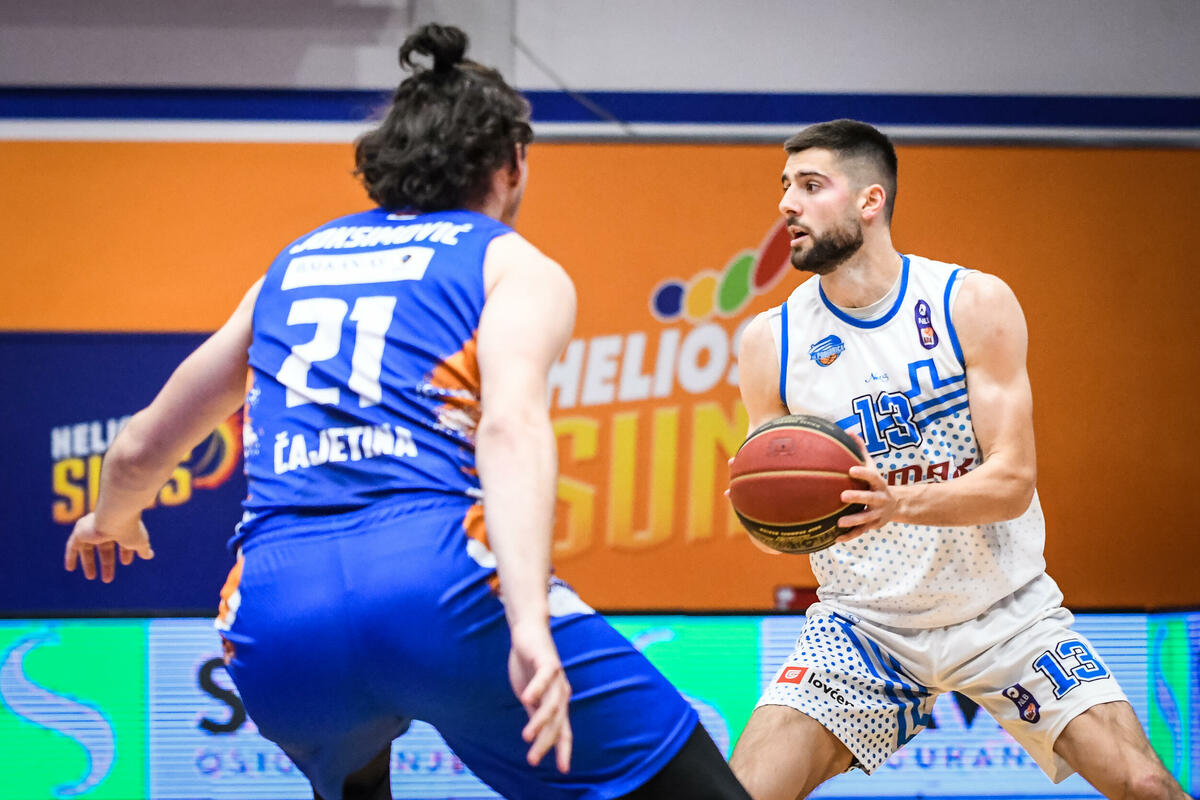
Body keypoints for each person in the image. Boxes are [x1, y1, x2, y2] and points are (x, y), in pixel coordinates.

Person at [63, 24, 752, 800]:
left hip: (276, 611)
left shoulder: (291, 266)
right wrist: (529, 621)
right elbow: (510, 428)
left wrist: (110, 520)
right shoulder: (508, 262)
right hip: (438, 586)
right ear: (512, 164)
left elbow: (140, 450)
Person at [727, 119, 1187, 800]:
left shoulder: (968, 302)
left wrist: (894, 503)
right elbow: (775, 528)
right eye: (785, 185)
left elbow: (1011, 482)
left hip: (1004, 614)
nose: (786, 203)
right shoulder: (772, 341)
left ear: (871, 200)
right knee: (742, 793)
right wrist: (770, 520)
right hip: (864, 626)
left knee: (1146, 784)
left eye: (811, 185)